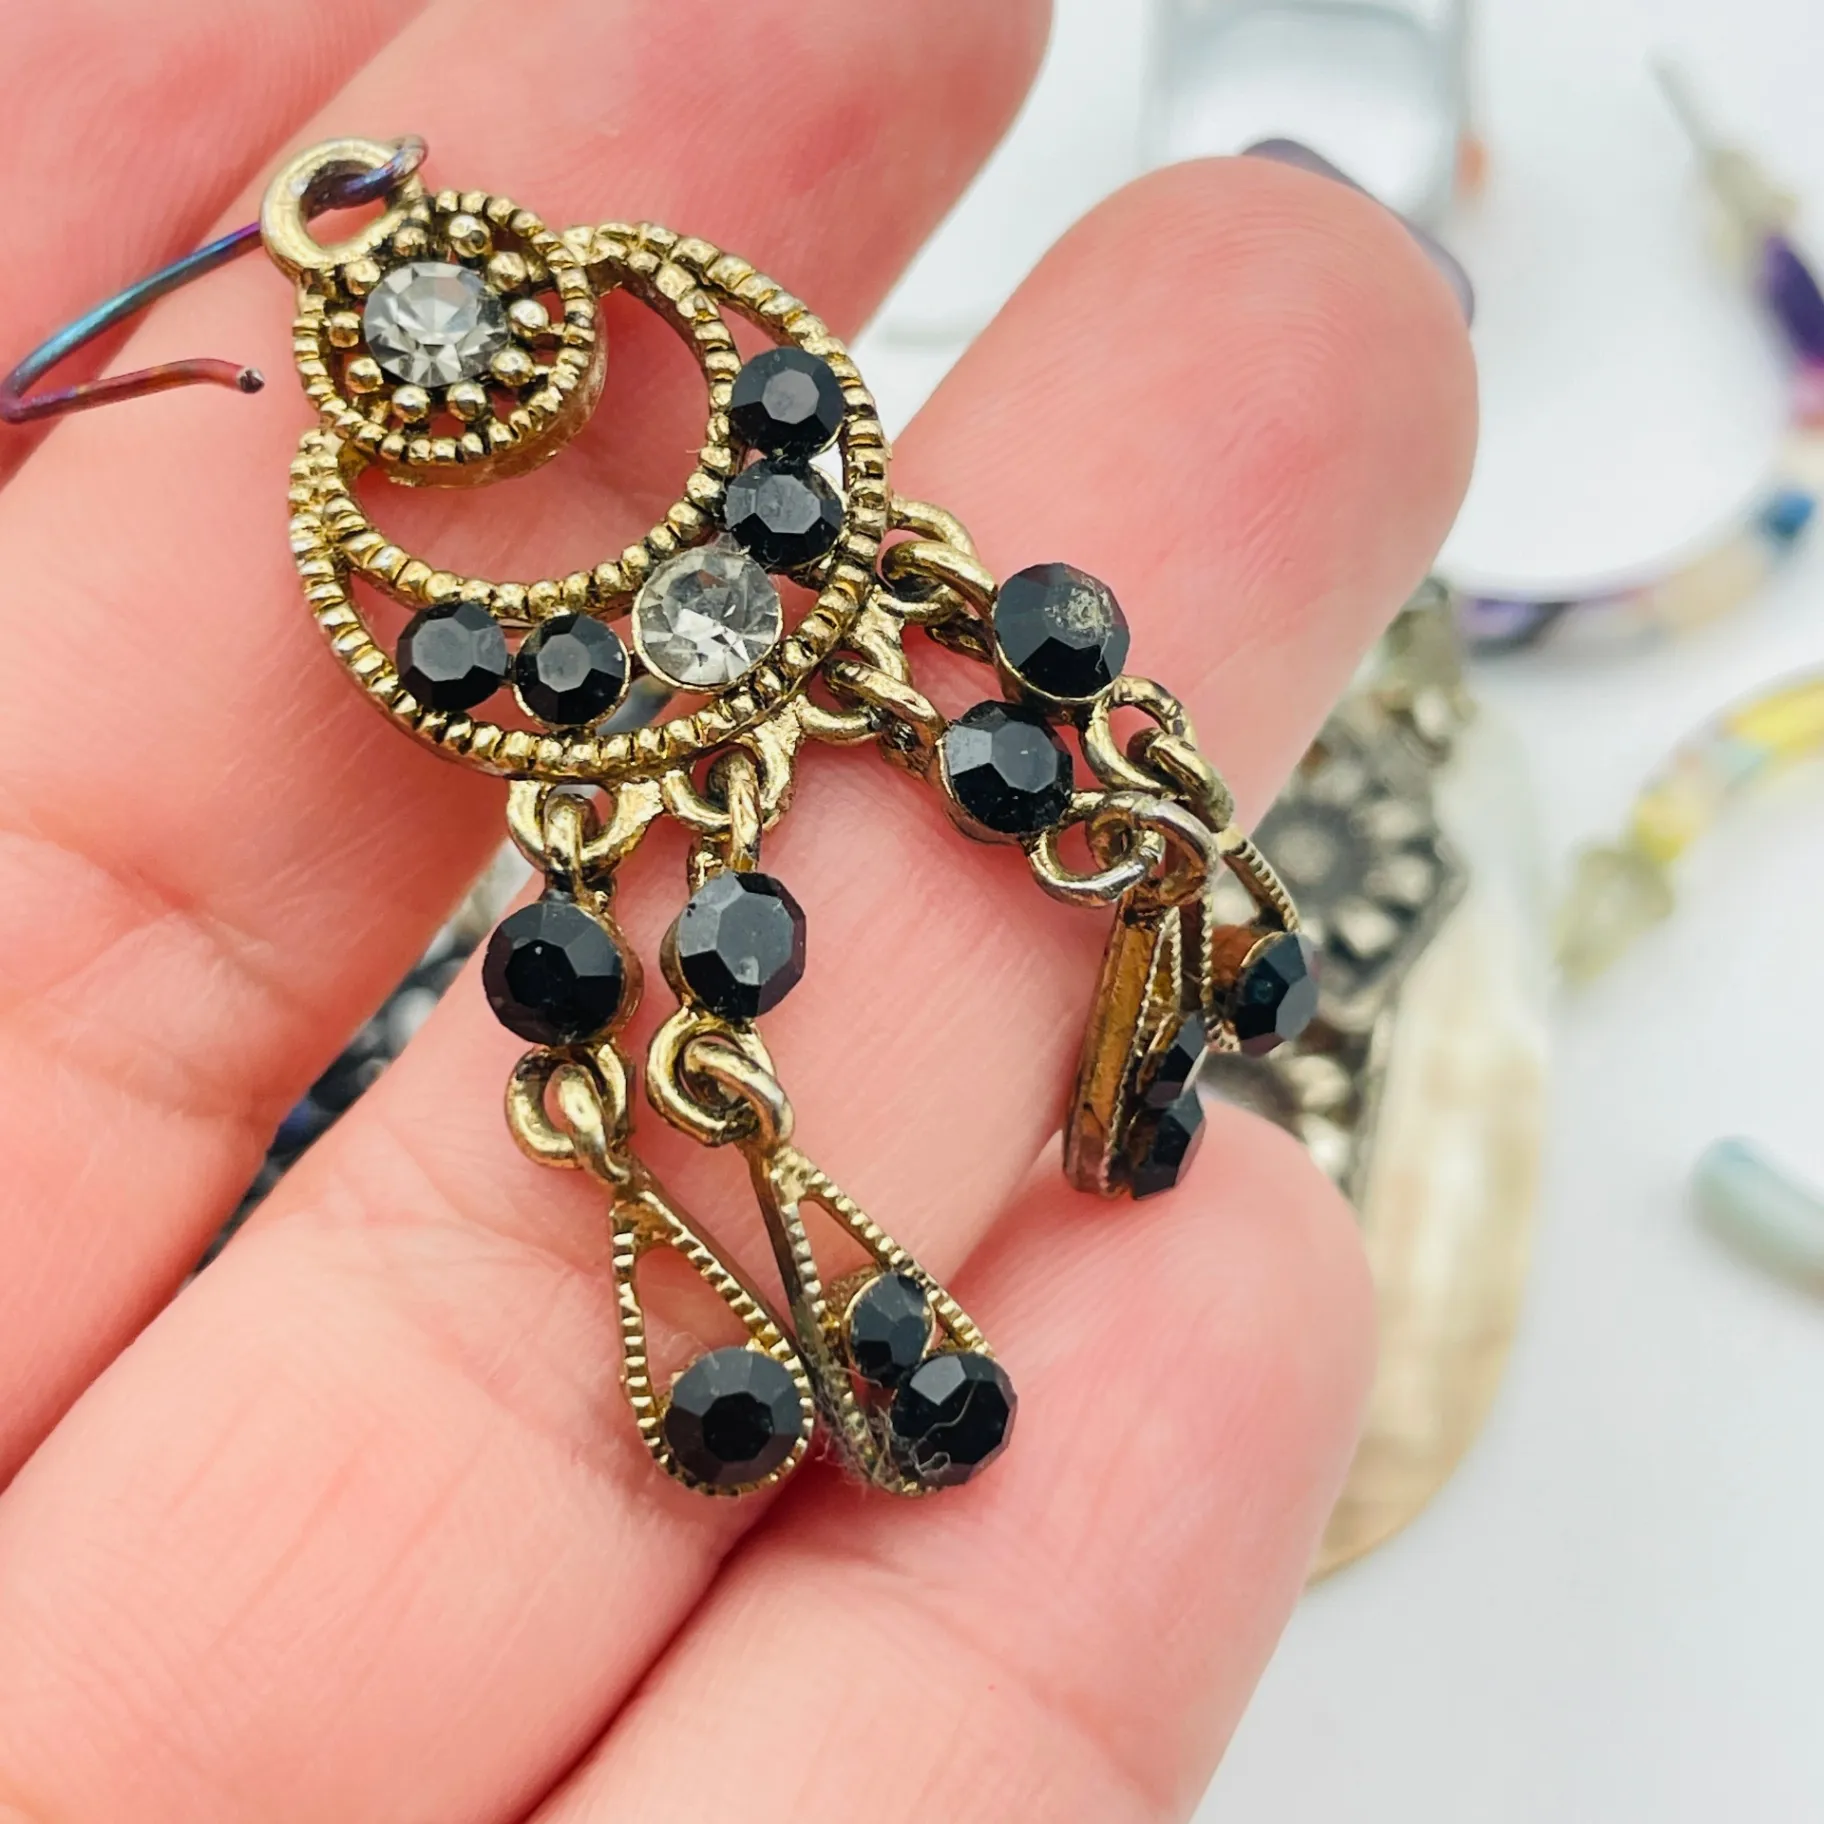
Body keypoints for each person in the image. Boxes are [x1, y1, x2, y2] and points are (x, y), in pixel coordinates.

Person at [0, 2, 1475, 1817]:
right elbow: (464, 651)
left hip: (812, 591)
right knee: (672, 1052)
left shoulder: (650, 350)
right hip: (646, 726)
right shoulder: (387, 507)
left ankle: (1164, 1036)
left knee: (1106, 790)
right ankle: (851, 1361)